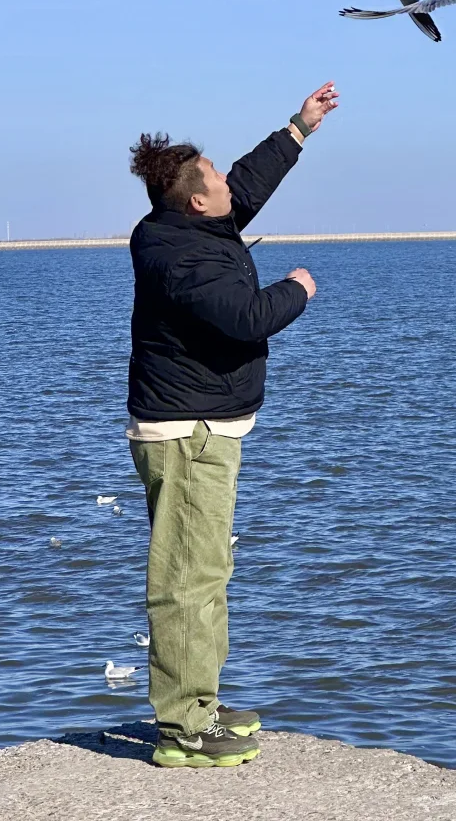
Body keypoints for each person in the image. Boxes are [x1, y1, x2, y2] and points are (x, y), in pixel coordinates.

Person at [125, 81, 338, 768]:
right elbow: (247, 318)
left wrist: (299, 128)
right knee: (187, 580)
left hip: (205, 427)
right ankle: (185, 732)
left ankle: (201, 705)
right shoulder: (181, 257)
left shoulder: (187, 225)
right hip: (186, 435)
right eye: (213, 177)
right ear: (196, 201)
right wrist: (296, 289)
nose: (226, 183)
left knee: (209, 571)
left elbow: (244, 186)